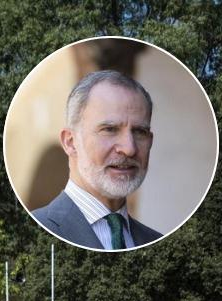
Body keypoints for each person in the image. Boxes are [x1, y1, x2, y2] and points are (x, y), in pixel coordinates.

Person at [31, 70, 162, 250]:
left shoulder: (154, 240)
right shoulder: (36, 229)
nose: (129, 148)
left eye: (139, 132)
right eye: (110, 129)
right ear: (70, 142)